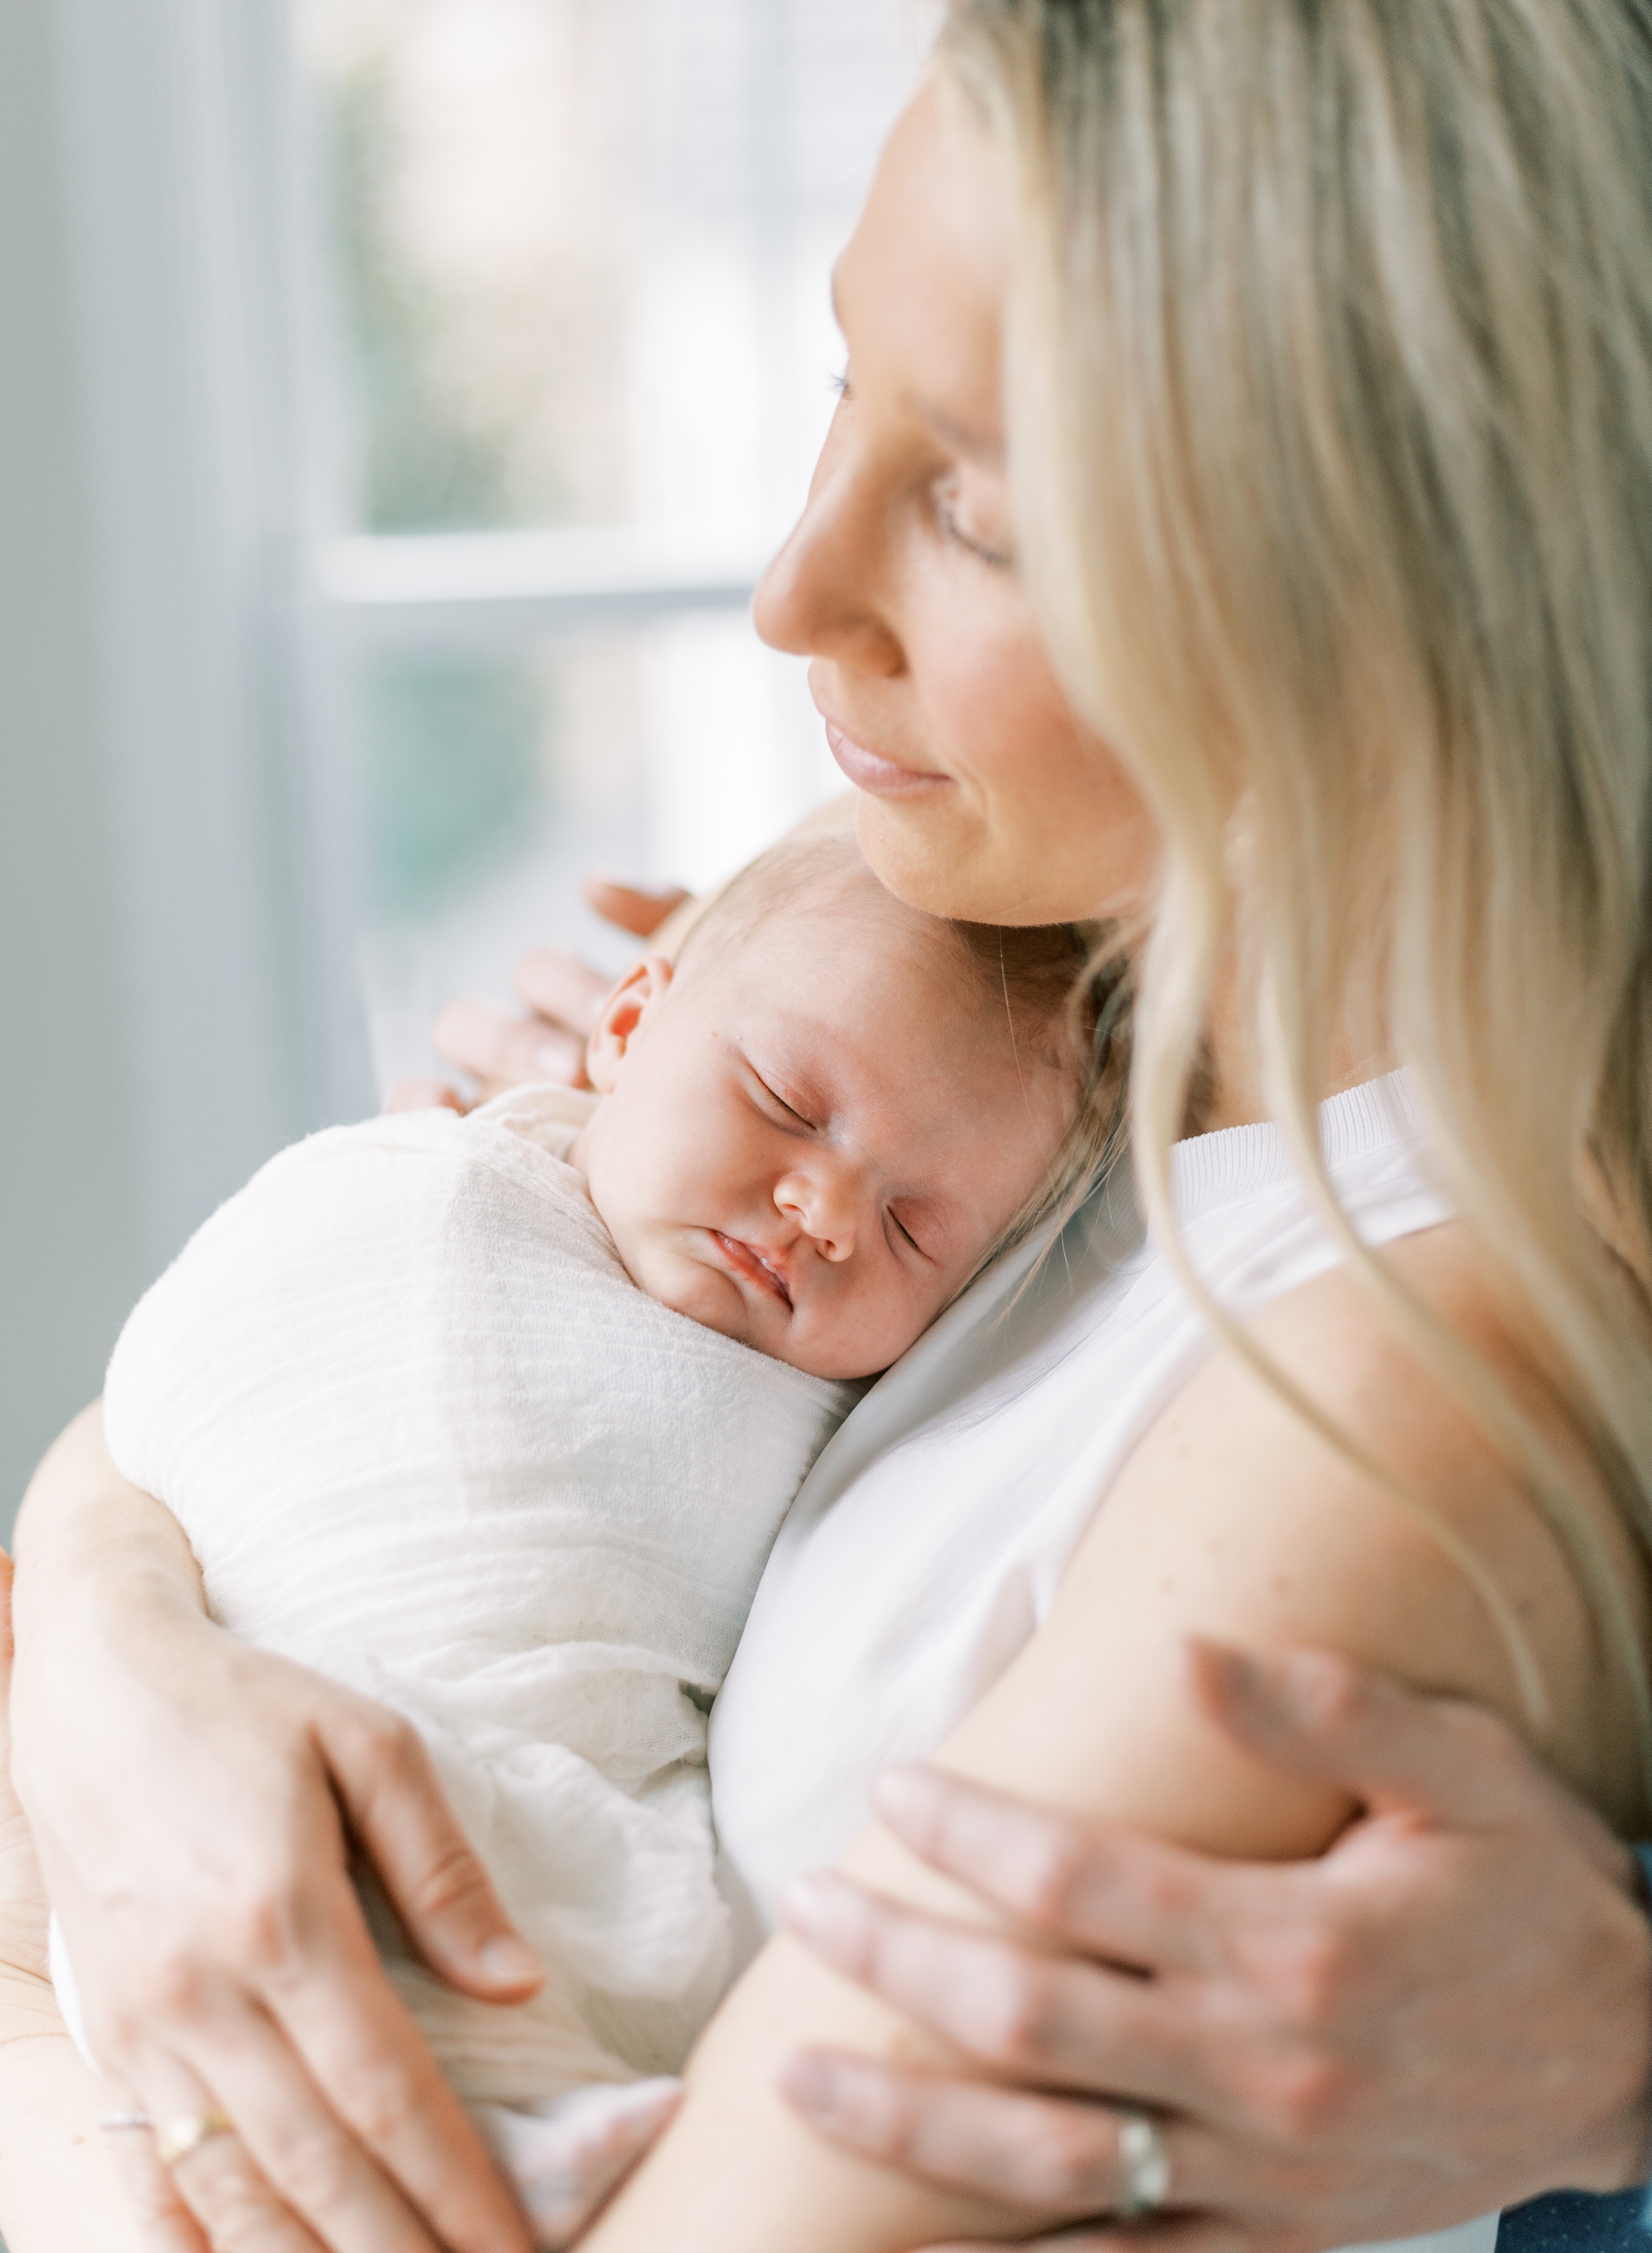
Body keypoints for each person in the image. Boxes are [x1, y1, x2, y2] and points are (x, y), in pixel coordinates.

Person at [6, 2, 1652, 2248]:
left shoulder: (1402, 1377)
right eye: (838, 396)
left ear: (1380, 594)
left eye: (972, 503)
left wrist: (80, 2048)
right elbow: (322, 1346)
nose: (793, 584)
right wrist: (116, 1671)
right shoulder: (971, 990)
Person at [45, 837, 1108, 2247]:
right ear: (627, 1023)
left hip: (508, 1834)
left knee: (532, 1868)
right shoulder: (440, 1191)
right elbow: (177, 1388)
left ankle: (514, 2116)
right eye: (787, 1104)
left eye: (918, 1230)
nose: (827, 1209)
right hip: (227, 1754)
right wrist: (94, 1619)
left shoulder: (871, 1403)